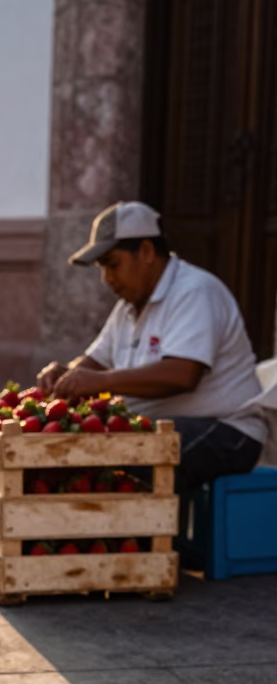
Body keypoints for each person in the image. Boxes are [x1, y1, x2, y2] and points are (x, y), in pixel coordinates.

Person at [38, 201, 266, 513]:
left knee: (135, 455)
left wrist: (98, 382)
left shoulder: (195, 292)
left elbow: (182, 374)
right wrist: (66, 375)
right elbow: (94, 362)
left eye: (112, 264)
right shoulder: (129, 305)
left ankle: (147, 554)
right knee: (106, 453)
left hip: (228, 430)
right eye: (102, 268)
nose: (106, 278)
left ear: (146, 252)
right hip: (166, 426)